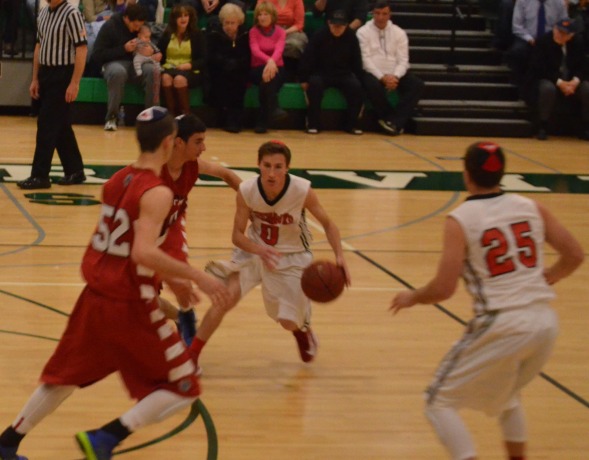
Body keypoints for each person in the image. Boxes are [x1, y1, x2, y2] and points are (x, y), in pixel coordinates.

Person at [0, 107, 231, 460]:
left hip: (95, 297)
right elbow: (141, 251)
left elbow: (124, 246)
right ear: (170, 142)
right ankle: (106, 438)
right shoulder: (158, 192)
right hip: (129, 303)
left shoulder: (115, 181)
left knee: (65, 379)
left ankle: (7, 442)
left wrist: (170, 275)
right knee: (185, 386)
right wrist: (196, 277)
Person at [390, 141, 584, 460]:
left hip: (502, 322)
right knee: (508, 395)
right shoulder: (531, 206)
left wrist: (412, 296)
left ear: (466, 174)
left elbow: (443, 288)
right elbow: (574, 254)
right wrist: (550, 276)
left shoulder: (461, 218)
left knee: (438, 402)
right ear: (502, 173)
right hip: (545, 322)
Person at [188, 140, 351, 370]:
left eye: (278, 166)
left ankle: (301, 331)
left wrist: (340, 257)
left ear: (287, 168)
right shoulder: (247, 191)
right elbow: (237, 236)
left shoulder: (302, 190)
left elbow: (329, 224)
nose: (272, 173)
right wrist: (259, 250)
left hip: (292, 256)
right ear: (258, 165)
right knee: (225, 299)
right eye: (267, 165)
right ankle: (192, 356)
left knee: (286, 322)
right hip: (253, 250)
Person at [158, 113, 242, 346]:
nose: (204, 147)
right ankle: (182, 317)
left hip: (171, 228)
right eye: (198, 141)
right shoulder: (154, 169)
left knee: (182, 283)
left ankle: (187, 325)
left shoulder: (192, 166)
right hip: (144, 235)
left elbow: (226, 174)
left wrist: (253, 203)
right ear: (178, 143)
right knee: (145, 302)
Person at [16, 0, 88, 190]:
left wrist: (74, 83)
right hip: (46, 73)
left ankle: (40, 175)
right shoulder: (43, 13)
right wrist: (35, 78)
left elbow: (81, 49)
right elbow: (39, 46)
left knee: (47, 124)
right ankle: (75, 170)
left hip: (63, 74)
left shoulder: (72, 14)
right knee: (60, 125)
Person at [357, 0, 424, 136]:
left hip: (394, 72)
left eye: (384, 14)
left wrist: (395, 76)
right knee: (371, 85)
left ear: (390, 14)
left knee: (417, 84)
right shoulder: (362, 32)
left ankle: (392, 121)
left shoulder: (399, 33)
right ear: (372, 14)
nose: (381, 17)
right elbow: (365, 60)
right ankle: (393, 121)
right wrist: (382, 77)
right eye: (377, 13)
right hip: (373, 72)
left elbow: (403, 60)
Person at [90, 3, 161, 131]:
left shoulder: (141, 28)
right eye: (135, 25)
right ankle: (112, 117)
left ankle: (152, 117)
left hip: (136, 64)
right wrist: (124, 49)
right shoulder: (110, 26)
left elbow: (153, 46)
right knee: (118, 72)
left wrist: (150, 52)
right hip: (112, 63)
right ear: (127, 18)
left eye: (140, 26)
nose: (136, 29)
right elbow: (97, 55)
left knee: (153, 70)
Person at [299, 9, 364, 135]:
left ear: (346, 25)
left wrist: (359, 78)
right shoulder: (319, 35)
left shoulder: (351, 37)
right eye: (335, 25)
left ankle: (351, 124)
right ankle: (313, 123)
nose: (337, 28)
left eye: (341, 26)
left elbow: (357, 60)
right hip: (320, 73)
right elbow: (307, 58)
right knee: (315, 85)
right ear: (329, 23)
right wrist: (303, 78)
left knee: (356, 87)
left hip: (343, 74)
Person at [523, 18, 589, 140]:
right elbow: (539, 69)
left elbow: (583, 66)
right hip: (549, 79)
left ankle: (586, 127)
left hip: (570, 80)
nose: (559, 34)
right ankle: (542, 126)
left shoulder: (578, 43)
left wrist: (575, 81)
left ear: (571, 35)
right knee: (547, 88)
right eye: (558, 31)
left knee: (587, 88)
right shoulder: (543, 42)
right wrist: (560, 82)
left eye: (563, 33)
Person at [207, 2, 251, 133]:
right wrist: (225, 62)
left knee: (238, 81)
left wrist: (237, 63)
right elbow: (211, 56)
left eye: (232, 23)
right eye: (226, 23)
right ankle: (224, 117)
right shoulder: (215, 34)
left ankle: (236, 118)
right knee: (223, 79)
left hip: (240, 69)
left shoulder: (245, 35)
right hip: (220, 69)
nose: (229, 26)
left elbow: (248, 56)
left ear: (239, 22)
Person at [504, 0, 567, 89]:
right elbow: (517, 26)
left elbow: (564, 24)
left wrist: (553, 39)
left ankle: (555, 82)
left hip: (550, 40)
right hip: (528, 38)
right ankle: (518, 85)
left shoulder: (559, 3)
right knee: (518, 51)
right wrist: (529, 39)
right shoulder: (522, 1)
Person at [158, 4, 207, 116]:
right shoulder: (167, 34)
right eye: (180, 16)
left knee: (179, 79)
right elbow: (159, 52)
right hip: (169, 68)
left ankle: (186, 116)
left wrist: (189, 65)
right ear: (174, 19)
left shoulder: (197, 35)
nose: (183, 19)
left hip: (191, 70)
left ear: (190, 18)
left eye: (186, 15)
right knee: (165, 78)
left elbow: (203, 59)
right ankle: (171, 115)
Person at [249, 1, 288, 133]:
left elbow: (279, 50)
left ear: (272, 16)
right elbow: (255, 51)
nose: (262, 17)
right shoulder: (253, 32)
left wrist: (271, 62)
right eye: (260, 14)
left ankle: (262, 120)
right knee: (266, 77)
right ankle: (273, 109)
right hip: (257, 68)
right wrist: (269, 61)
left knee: (266, 82)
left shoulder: (281, 32)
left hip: (277, 68)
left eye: (266, 14)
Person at [259, 0, 308, 80]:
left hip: (291, 31)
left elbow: (299, 24)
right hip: (269, 29)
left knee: (294, 45)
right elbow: (259, 17)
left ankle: (290, 75)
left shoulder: (297, 1)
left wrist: (283, 32)